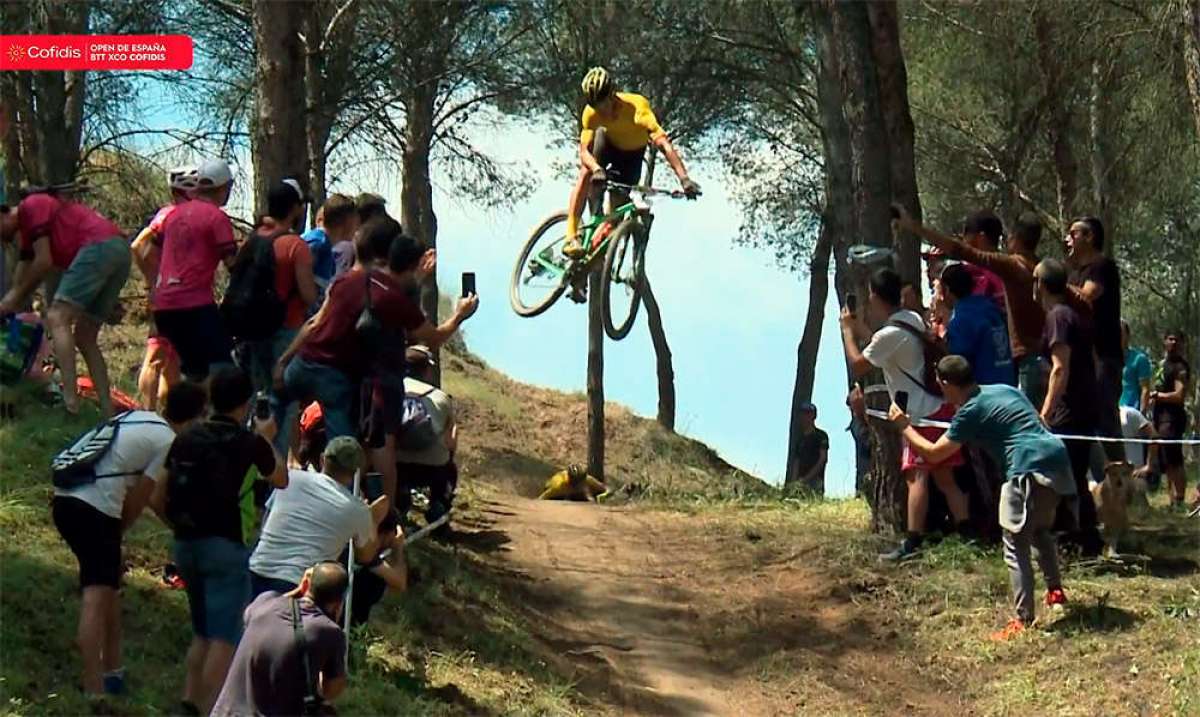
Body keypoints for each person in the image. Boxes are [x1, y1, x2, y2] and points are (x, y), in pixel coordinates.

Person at [275, 219, 478, 504]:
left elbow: (312, 324)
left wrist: (284, 361)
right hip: (339, 379)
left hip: (305, 361)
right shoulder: (394, 298)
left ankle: (271, 476)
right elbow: (431, 338)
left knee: (274, 412)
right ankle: (353, 514)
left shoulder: (345, 280)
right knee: (345, 455)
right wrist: (459, 315)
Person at [889, 355, 1076, 641]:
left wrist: (904, 426)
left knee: (1014, 544)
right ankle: (1056, 592)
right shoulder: (1005, 389)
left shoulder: (969, 411)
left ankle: (1023, 620)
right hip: (1057, 458)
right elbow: (1035, 419)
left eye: (940, 383)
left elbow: (935, 453)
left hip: (1026, 465)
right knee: (1038, 530)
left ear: (946, 383)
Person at [52, 381, 208, 698]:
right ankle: (93, 688)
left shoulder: (141, 418)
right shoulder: (167, 441)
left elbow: (150, 499)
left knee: (109, 588)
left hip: (66, 499)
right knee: (96, 597)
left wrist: (175, 527)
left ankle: (112, 670)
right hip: (94, 509)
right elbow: (142, 496)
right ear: (193, 419)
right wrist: (118, 532)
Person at [152, 366, 288, 715]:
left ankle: (189, 700)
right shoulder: (250, 443)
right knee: (224, 638)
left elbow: (158, 491)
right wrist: (268, 437)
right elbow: (281, 478)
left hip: (186, 543)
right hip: (227, 546)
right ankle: (211, 708)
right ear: (244, 405)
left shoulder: (187, 437)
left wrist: (178, 527)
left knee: (201, 631)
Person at [841, 268, 971, 560]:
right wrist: (861, 328)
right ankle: (966, 534)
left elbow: (860, 364)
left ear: (874, 297)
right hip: (939, 407)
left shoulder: (889, 334)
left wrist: (848, 331)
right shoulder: (911, 320)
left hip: (918, 414)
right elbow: (883, 344)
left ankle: (912, 542)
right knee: (945, 477)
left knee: (916, 476)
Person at [898, 209, 1047, 407]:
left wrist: (913, 226)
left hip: (993, 384)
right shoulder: (1035, 269)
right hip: (1018, 369)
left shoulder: (993, 273)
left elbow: (959, 352)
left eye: (966, 235)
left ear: (980, 237)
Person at [0, 189, 130, 417]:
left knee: (57, 316)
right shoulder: (29, 234)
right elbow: (22, 276)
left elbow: (43, 263)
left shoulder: (32, 205)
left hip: (97, 246)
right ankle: (108, 410)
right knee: (85, 336)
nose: (3, 241)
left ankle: (70, 404)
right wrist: (10, 301)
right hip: (117, 249)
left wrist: (11, 300)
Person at [562, 67, 700, 256]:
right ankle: (571, 235)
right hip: (607, 144)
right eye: (596, 106)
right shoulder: (591, 113)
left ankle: (588, 257)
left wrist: (684, 178)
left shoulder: (637, 108)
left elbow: (664, 145)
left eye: (604, 105)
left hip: (631, 157)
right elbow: (584, 151)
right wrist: (596, 168)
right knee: (586, 171)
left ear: (612, 95)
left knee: (615, 219)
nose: (602, 111)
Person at [249, 436, 403, 596]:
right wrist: (374, 521)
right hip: (297, 587)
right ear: (355, 471)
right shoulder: (358, 510)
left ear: (323, 459)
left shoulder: (290, 478)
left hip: (255, 569)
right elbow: (365, 557)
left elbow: (264, 523)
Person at [210, 562, 351, 717]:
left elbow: (252, 615)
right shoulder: (330, 632)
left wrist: (301, 588)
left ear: (305, 584)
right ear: (338, 603)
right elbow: (330, 691)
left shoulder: (264, 602)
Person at [239, 179, 317, 451]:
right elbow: (308, 295)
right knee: (281, 402)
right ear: (295, 209)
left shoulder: (253, 240)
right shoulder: (295, 246)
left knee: (250, 398)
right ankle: (273, 467)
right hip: (286, 330)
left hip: (251, 330)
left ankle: (242, 457)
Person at [1034, 258, 1104, 556]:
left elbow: (1060, 368)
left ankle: (1070, 541)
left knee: (1061, 477)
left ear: (1041, 285)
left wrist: (1045, 413)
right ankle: (1085, 541)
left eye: (1035, 280)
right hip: (1081, 409)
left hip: (1068, 412)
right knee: (1073, 474)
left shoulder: (1059, 318)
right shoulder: (1071, 316)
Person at [149, 159, 238, 382]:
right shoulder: (216, 217)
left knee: (194, 370)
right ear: (224, 188)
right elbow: (232, 264)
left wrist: (156, 283)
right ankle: (213, 414)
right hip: (194, 305)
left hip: (164, 306)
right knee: (224, 368)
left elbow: (149, 251)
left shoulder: (173, 215)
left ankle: (188, 414)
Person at [132, 166, 192, 411]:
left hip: (185, 296)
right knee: (156, 354)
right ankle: (145, 415)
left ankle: (169, 421)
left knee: (172, 363)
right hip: (170, 295)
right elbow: (138, 245)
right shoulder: (169, 214)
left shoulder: (185, 216)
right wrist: (152, 280)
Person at [1065, 216, 1124, 462]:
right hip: (1083, 358)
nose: (1066, 239)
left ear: (1089, 237)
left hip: (1103, 356)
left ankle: (1124, 482)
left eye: (1073, 233)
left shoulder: (1102, 267)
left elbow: (1087, 297)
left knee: (1106, 419)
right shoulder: (1076, 273)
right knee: (1083, 420)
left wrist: (1056, 282)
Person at [395, 345, 460, 528]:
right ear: (426, 370)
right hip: (432, 467)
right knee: (449, 468)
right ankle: (439, 504)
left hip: (395, 464)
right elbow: (451, 441)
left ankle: (399, 497)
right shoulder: (441, 397)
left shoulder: (391, 389)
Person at [940, 263, 1014, 386]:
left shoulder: (960, 321)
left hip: (984, 394)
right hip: (1009, 387)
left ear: (947, 289)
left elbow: (957, 367)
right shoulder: (992, 310)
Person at [1150, 329, 1192, 508]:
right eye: (1170, 339)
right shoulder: (1162, 364)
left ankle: (1180, 499)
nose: (1173, 343)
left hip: (1172, 419)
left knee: (1175, 459)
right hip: (1159, 417)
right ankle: (1171, 500)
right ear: (1164, 341)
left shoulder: (1180, 367)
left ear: (1182, 344)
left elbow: (1179, 395)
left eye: (1177, 340)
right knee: (1166, 461)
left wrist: (1158, 396)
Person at [302, 193, 359, 296]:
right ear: (347, 222)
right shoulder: (318, 245)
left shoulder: (324, 244)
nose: (357, 228)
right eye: (355, 222)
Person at [785, 402, 829, 495]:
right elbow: (796, 462)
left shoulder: (821, 436)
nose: (805, 417)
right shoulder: (800, 439)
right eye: (803, 413)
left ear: (814, 416)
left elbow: (823, 459)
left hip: (815, 482)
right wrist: (794, 483)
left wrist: (806, 479)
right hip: (800, 483)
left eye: (808, 413)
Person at [1119, 404, 1159, 485]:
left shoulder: (1129, 414)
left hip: (1134, 474)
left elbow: (1154, 435)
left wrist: (1149, 465)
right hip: (1112, 476)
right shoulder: (1098, 418)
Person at [1120, 320, 1153, 412]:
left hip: (1131, 412)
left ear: (1127, 336)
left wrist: (1141, 414)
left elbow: (1145, 389)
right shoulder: (1107, 361)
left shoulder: (1139, 359)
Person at [539, 463, 609, 501]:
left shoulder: (586, 479)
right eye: (578, 481)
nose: (581, 483)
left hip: (571, 491)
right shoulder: (559, 486)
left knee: (583, 494)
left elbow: (605, 489)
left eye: (582, 480)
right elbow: (542, 498)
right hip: (555, 492)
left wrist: (603, 495)